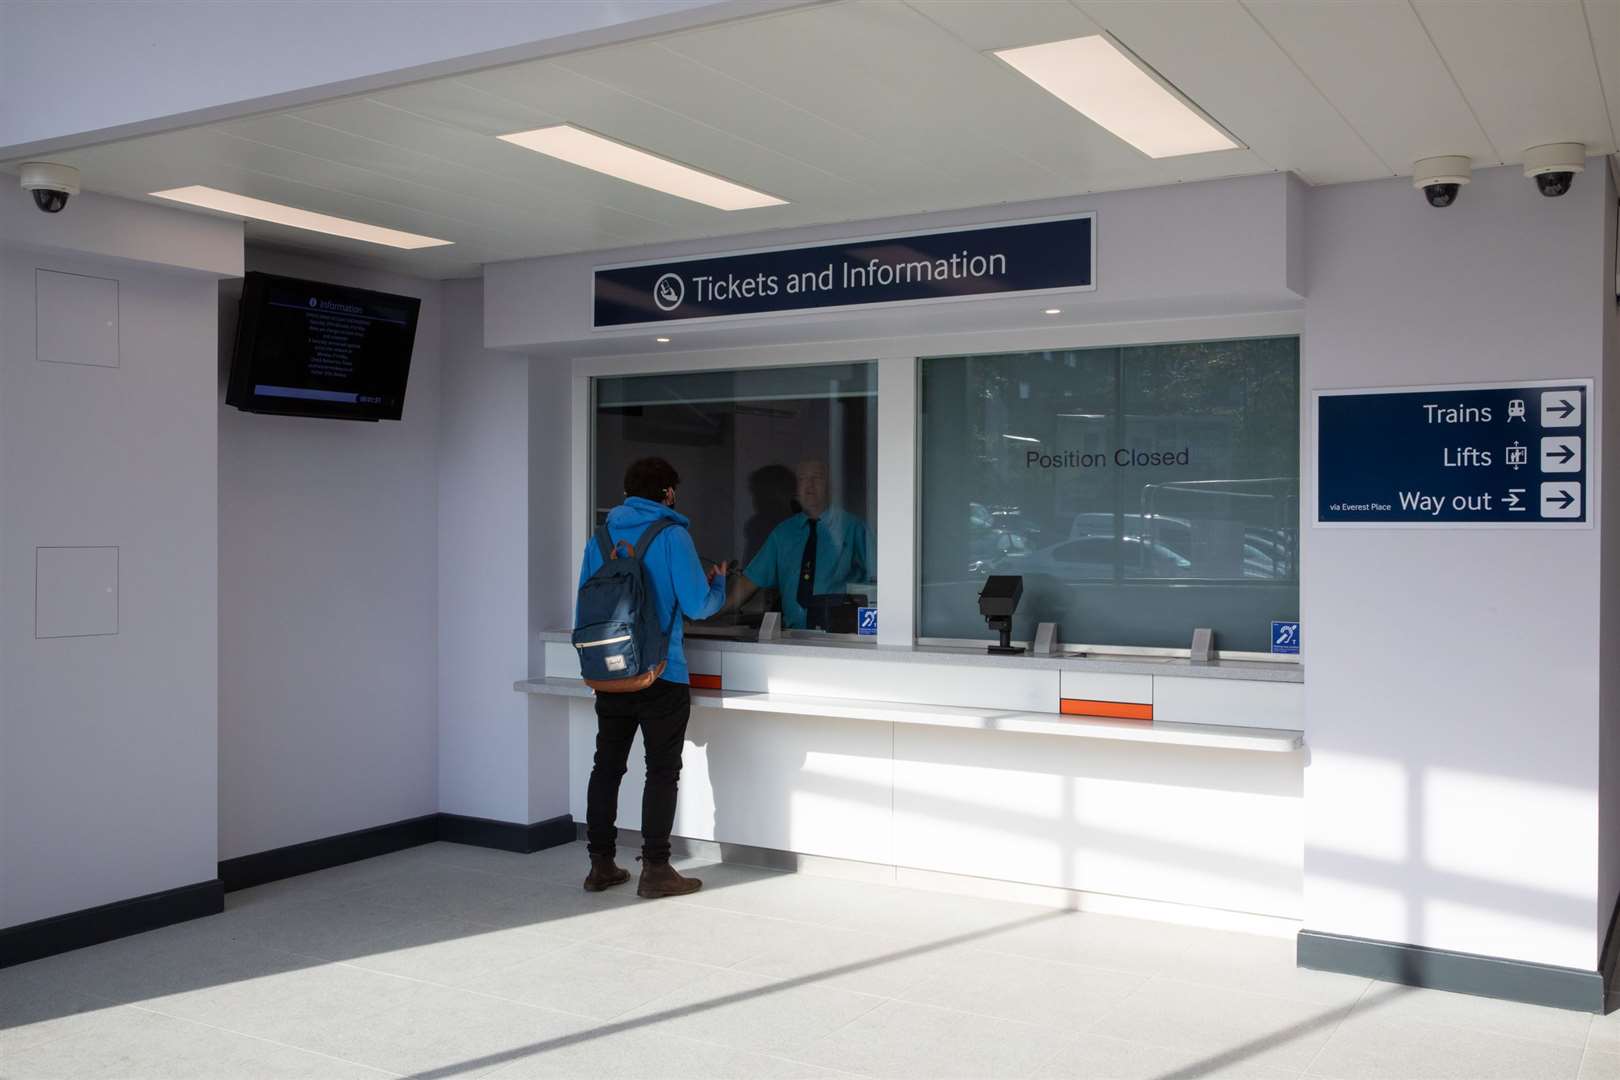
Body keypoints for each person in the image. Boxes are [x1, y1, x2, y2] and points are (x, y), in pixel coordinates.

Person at [576, 457, 726, 898]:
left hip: (610, 674)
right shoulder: (672, 535)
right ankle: (656, 869)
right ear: (668, 494)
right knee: (661, 771)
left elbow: (583, 608)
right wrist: (717, 584)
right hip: (662, 673)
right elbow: (698, 606)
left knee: (606, 766)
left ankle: (600, 864)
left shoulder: (600, 538)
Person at [725, 459, 872, 630]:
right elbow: (749, 582)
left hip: (841, 638)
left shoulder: (852, 528)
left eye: (816, 478)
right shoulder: (783, 533)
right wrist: (708, 612)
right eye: (802, 479)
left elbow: (882, 580)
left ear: (831, 486)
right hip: (793, 638)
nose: (809, 486)